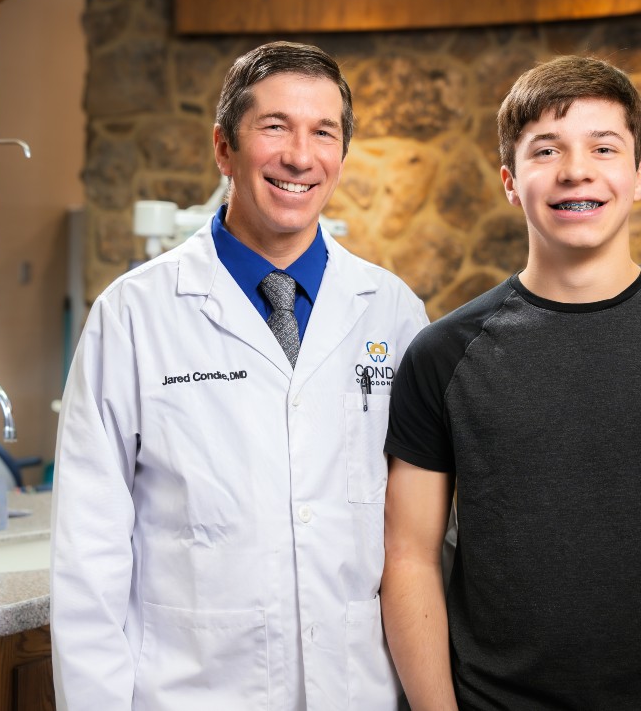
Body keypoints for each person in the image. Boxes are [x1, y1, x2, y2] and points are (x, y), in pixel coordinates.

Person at [381, 55, 641, 710]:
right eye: (545, 150)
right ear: (509, 182)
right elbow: (409, 558)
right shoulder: (441, 355)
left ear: (638, 176)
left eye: (603, 147)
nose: (576, 169)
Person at [51, 41, 429, 710]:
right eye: (275, 126)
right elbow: (89, 558)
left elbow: (414, 540)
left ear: (341, 155)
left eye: (324, 132)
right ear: (224, 148)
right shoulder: (133, 316)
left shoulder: (394, 313)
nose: (300, 156)